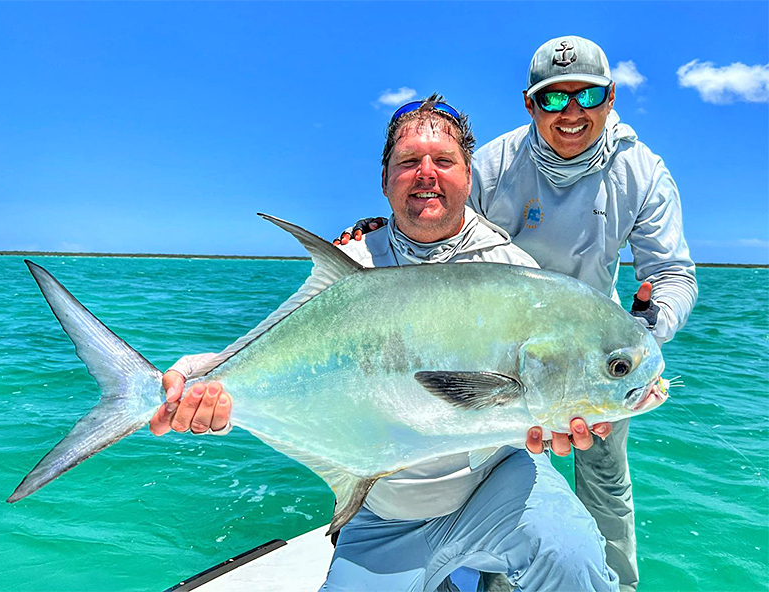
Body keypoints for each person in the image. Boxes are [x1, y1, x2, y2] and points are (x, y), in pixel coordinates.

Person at [150, 96, 620, 591]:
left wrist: (561, 415)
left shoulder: (514, 272)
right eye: (408, 162)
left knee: (573, 559)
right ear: (384, 179)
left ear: (468, 175)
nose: (426, 174)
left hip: (495, 488)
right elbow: (280, 357)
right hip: (383, 507)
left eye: (443, 161)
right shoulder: (352, 261)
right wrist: (200, 380)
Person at [338, 36, 697, 592]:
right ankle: (487, 568)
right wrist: (376, 234)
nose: (572, 112)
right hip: (495, 344)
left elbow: (672, 274)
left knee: (602, 479)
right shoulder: (493, 164)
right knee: (486, 444)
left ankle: (613, 585)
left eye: (588, 96)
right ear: (530, 104)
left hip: (599, 353)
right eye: (554, 99)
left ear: (611, 97)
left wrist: (646, 330)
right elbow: (438, 220)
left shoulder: (643, 172)